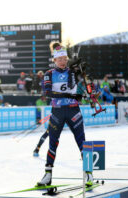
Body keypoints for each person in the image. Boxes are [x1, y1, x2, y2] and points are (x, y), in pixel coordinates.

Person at [36, 42, 93, 187]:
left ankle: (89, 173)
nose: (63, 61)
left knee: (82, 141)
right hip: (57, 112)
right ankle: (48, 174)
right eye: (59, 59)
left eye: (64, 58)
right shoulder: (49, 74)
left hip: (73, 111)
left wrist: (84, 72)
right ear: (54, 60)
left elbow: (86, 85)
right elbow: (48, 93)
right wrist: (67, 94)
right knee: (52, 143)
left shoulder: (73, 72)